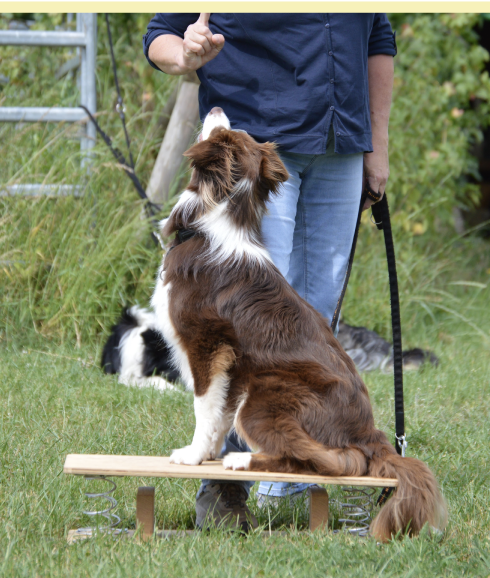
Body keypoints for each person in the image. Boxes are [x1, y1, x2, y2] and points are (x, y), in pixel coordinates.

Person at [144, 12, 396, 531]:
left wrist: (378, 144)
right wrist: (184, 53)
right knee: (248, 323)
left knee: (313, 316)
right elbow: (160, 36)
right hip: (252, 146)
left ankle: (293, 471)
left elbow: (377, 37)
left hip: (341, 142)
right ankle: (222, 490)